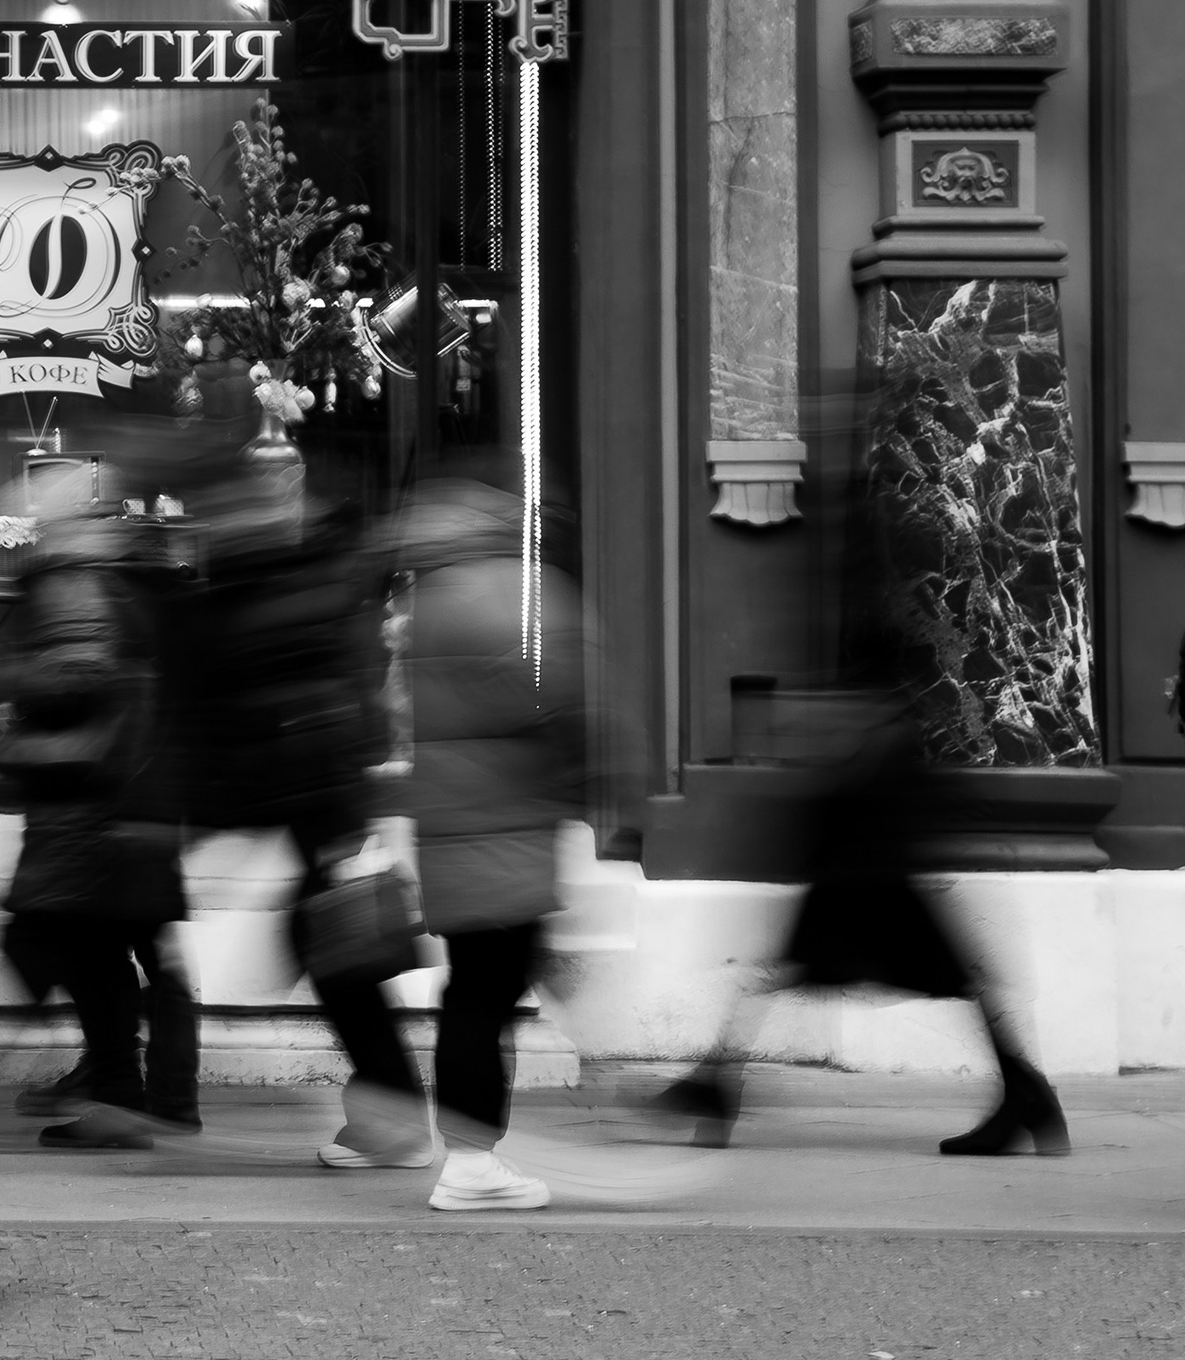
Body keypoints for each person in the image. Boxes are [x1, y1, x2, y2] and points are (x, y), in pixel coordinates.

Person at [312, 464, 586, 1210]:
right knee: (487, 993)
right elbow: (560, 701)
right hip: (512, 819)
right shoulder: (517, 595)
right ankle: (472, 1161)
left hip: (454, 824)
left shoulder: (425, 600)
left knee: (475, 985)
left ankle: (467, 1153)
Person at [649, 689, 1069, 1158]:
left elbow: (871, 779)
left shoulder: (879, 722)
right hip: (863, 875)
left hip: (867, 881)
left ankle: (714, 1087)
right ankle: (1028, 1099)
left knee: (948, 981)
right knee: (952, 982)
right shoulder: (881, 723)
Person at [0, 505, 193, 1147]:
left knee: (79, 952)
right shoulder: (137, 588)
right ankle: (150, 1094)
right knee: (132, 955)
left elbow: (77, 680)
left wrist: (12, 690)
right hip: (134, 803)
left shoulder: (77, 586)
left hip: (95, 806)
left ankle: (124, 1095)